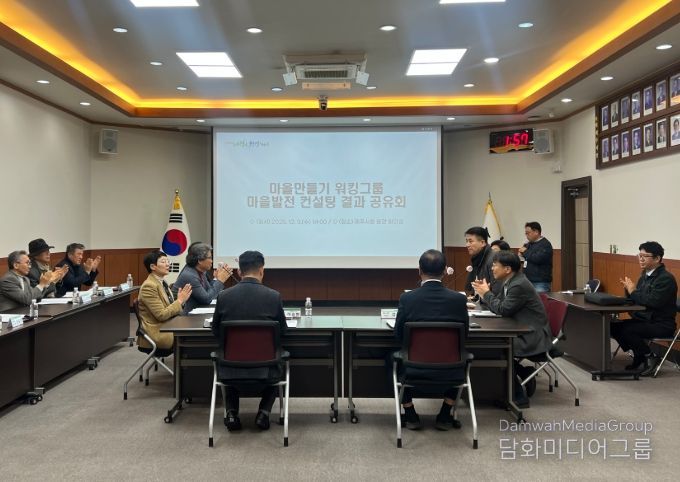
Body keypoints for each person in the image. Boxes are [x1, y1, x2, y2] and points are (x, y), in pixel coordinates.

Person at [393, 249, 469, 431]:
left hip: (413, 367)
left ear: (419, 270)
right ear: (444, 271)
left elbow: (398, 334)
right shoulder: (459, 300)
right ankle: (445, 413)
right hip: (452, 369)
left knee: (390, 359)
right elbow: (464, 335)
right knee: (462, 357)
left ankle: (410, 413)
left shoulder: (407, 298)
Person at [212, 250, 287, 432]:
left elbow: (216, 330)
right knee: (279, 360)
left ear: (239, 272)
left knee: (230, 357)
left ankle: (231, 413)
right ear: (262, 270)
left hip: (230, 370)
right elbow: (283, 331)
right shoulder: (273, 296)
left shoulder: (224, 296)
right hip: (266, 370)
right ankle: (263, 413)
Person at [472, 251, 552, 407]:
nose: (492, 268)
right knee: (489, 344)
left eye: (495, 265)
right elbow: (500, 305)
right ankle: (522, 372)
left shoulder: (518, 285)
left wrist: (486, 293)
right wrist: (484, 295)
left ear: (507, 269)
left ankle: (517, 397)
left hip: (531, 336)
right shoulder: (511, 281)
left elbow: (502, 309)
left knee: (494, 349)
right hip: (520, 330)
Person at [611, 242, 677, 376]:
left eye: (645, 256)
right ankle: (640, 355)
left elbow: (652, 302)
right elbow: (639, 298)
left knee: (628, 330)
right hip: (645, 319)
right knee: (613, 326)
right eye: (639, 255)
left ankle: (650, 356)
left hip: (661, 323)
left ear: (657, 258)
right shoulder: (644, 276)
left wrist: (633, 291)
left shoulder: (666, 279)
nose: (640, 259)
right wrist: (628, 291)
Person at [137, 250, 192, 350]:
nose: (168, 264)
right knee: (194, 336)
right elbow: (161, 315)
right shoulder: (149, 286)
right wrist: (179, 301)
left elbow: (169, 307)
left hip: (169, 325)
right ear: (152, 267)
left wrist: (181, 301)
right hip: (158, 331)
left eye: (168, 261)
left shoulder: (162, 282)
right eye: (163, 262)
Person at [172, 242, 231, 314]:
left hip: (194, 312)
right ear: (199, 260)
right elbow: (206, 299)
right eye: (210, 258)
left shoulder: (200, 271)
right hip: (182, 316)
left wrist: (216, 279)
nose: (212, 261)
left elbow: (208, 291)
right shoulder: (190, 275)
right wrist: (220, 281)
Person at [518, 222, 553, 292]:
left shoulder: (545, 244)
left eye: (528, 233)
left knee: (540, 299)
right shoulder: (528, 244)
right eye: (525, 233)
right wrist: (520, 254)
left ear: (536, 232)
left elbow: (537, 259)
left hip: (540, 283)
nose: (526, 235)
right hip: (527, 281)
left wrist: (525, 252)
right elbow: (526, 257)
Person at [464, 226, 496, 295]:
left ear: (482, 243)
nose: (467, 245)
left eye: (470, 241)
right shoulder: (477, 257)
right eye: (466, 241)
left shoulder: (493, 259)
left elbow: (496, 289)